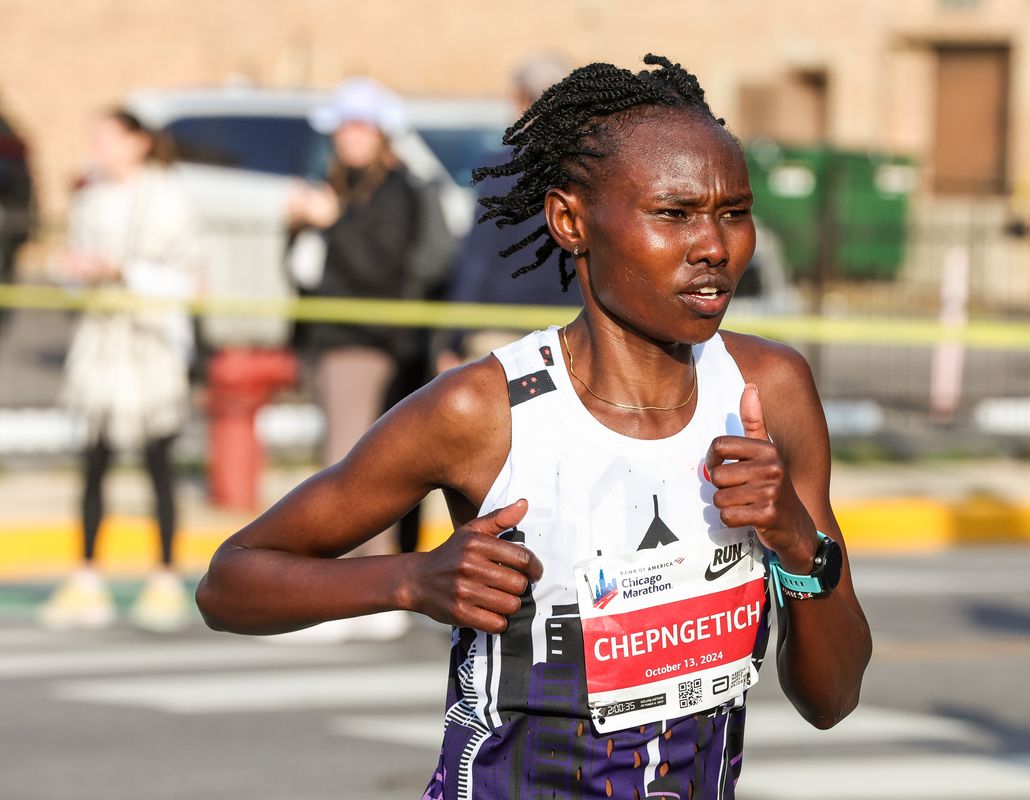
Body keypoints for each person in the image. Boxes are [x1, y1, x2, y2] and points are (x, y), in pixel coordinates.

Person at [197, 55, 871, 797]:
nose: (713, 246)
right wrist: (408, 579)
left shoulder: (769, 391)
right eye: (673, 215)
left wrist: (798, 542)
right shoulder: (483, 412)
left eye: (733, 213)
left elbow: (832, 700)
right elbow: (229, 583)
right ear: (571, 221)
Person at [38, 109, 200, 633]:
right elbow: (71, 274)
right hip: (101, 346)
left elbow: (190, 279)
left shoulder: (170, 197)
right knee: (94, 459)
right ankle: (86, 577)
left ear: (137, 142)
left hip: (153, 346)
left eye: (106, 135)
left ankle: (165, 577)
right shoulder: (90, 199)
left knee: (158, 461)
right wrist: (73, 272)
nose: (97, 146)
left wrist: (125, 271)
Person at [283, 78, 426, 642]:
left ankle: (341, 598)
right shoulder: (339, 184)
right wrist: (300, 226)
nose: (348, 137)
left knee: (345, 466)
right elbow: (307, 272)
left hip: (365, 340)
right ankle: (375, 595)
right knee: (356, 465)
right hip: (329, 337)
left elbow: (379, 268)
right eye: (342, 128)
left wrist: (330, 221)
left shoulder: (397, 190)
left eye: (359, 126)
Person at [436, 53, 575, 373]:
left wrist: (452, 338)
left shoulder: (502, 170)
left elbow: (478, 259)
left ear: (521, 100)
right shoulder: (591, 170)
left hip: (501, 332)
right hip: (573, 333)